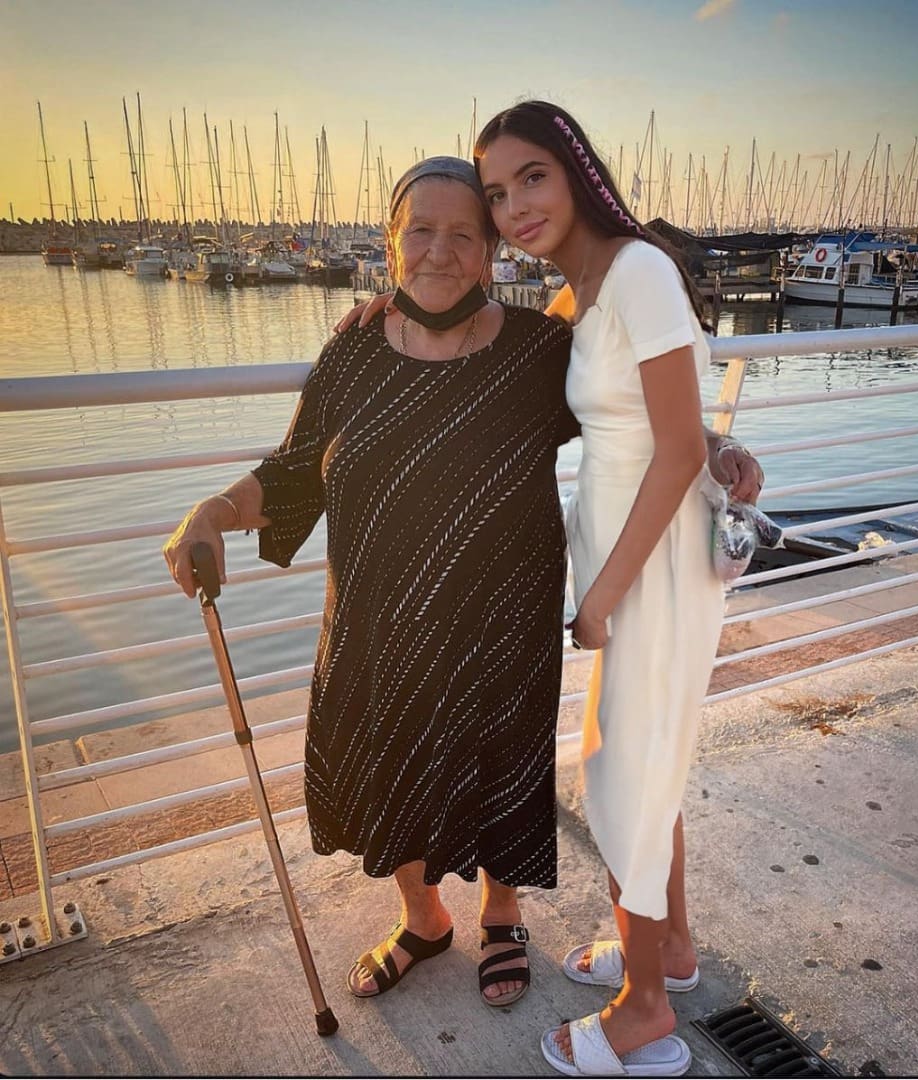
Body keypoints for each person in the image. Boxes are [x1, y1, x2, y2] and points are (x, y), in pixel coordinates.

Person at [164, 156, 581, 1008]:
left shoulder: (540, 351)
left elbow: (633, 411)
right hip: (378, 621)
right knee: (391, 763)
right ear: (391, 243)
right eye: (420, 230)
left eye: (463, 233)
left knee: (505, 761)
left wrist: (713, 450)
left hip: (504, 623)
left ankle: (502, 914)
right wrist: (214, 509)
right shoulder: (352, 350)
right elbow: (294, 472)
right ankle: (424, 920)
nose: (440, 251)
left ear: (492, 249)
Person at [473, 100, 747, 1076]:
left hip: (653, 572)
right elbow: (659, 412)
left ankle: (644, 1012)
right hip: (628, 562)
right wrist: (390, 315)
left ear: (577, 172)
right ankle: (669, 951)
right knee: (648, 764)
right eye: (496, 193)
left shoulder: (636, 271)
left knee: (623, 775)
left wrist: (600, 599)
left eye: (531, 177)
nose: (514, 207)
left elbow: (673, 452)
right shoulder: (578, 293)